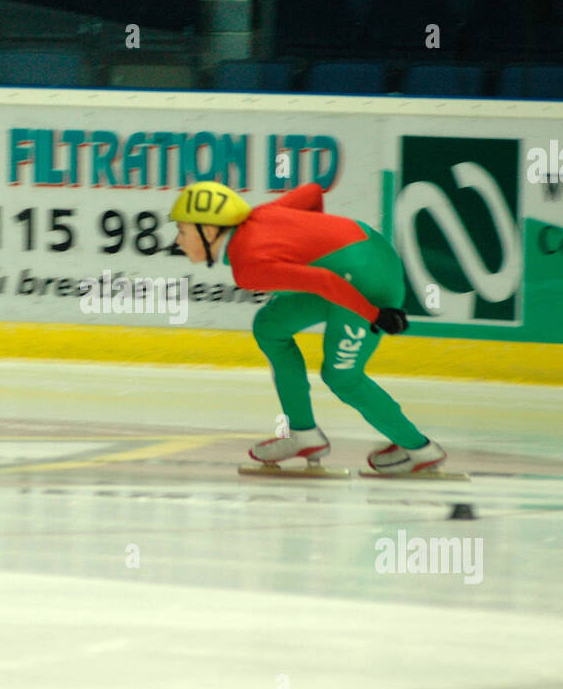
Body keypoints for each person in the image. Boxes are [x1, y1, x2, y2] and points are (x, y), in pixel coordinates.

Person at [169, 180, 446, 475]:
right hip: (364, 253)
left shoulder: (248, 269)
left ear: (209, 231)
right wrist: (318, 241)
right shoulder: (261, 214)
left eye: (183, 231)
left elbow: (324, 282)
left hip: (368, 283)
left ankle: (419, 448)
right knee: (270, 325)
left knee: (342, 378)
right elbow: (312, 192)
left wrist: (375, 314)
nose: (177, 241)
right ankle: (303, 433)